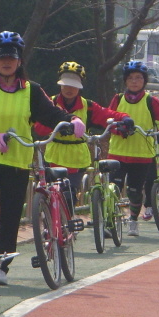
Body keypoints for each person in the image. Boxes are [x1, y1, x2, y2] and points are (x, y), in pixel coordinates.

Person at [0, 35, 82, 286]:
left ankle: (1, 266)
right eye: (2, 58)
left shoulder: (31, 90)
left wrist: (72, 120)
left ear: (19, 60)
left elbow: (50, 113)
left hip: (17, 164)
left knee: (10, 217)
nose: (7, 62)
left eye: (11, 57)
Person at [32, 61, 132, 215]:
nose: (69, 89)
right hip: (53, 156)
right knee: (50, 194)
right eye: (65, 85)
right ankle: (51, 227)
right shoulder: (49, 103)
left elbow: (107, 114)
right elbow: (38, 127)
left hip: (76, 159)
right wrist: (58, 124)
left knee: (69, 195)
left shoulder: (88, 106)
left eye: (73, 85)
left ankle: (68, 225)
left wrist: (125, 118)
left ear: (80, 86)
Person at [107, 61, 159, 237]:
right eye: (130, 78)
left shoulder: (150, 101)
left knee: (134, 191)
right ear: (125, 81)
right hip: (118, 152)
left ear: (144, 81)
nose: (134, 81)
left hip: (142, 154)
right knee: (112, 188)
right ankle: (109, 221)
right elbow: (107, 119)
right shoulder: (117, 99)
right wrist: (117, 128)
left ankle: (133, 220)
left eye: (138, 78)